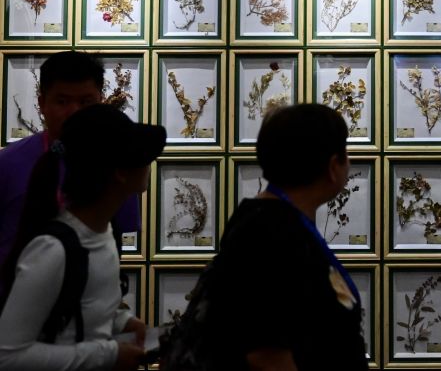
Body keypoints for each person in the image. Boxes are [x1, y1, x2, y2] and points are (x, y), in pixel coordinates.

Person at [169, 103, 366, 371]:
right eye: (345, 152)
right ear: (333, 166)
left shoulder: (268, 220)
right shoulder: (272, 234)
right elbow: (267, 357)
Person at [0, 104, 165, 371]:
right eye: (141, 156)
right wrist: (109, 354)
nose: (149, 164)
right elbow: (7, 356)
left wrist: (121, 321)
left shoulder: (105, 231)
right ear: (120, 172)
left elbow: (81, 308)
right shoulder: (53, 250)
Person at [0, 51, 141, 289]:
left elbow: (116, 240)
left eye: (86, 102)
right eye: (62, 102)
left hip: (88, 302)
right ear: (42, 103)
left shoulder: (117, 170)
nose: (75, 112)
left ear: (101, 101)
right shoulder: (7, 164)